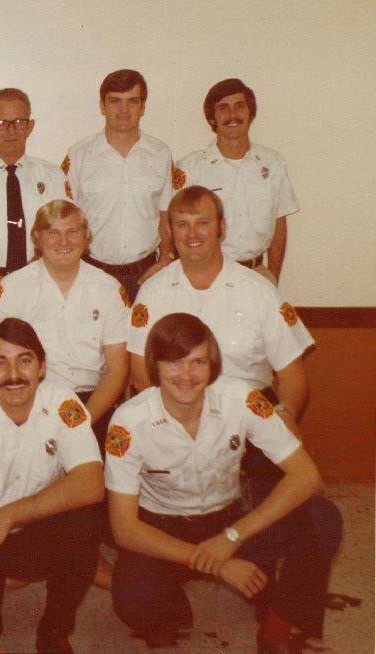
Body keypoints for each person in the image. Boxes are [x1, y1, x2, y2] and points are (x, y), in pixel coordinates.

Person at [106, 312, 342, 652]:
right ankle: (167, 614)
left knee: (323, 518)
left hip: (231, 517)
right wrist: (217, 561)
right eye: (174, 363)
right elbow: (125, 529)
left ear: (213, 364)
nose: (186, 375)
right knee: (132, 596)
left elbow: (307, 476)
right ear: (154, 366)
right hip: (165, 525)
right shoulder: (128, 422)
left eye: (198, 362)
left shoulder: (242, 398)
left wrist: (232, 538)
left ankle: (278, 623)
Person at [128, 186, 313, 499]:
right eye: (182, 225)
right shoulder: (153, 292)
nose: (193, 234)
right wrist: (171, 423)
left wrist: (283, 417)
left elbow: (294, 376)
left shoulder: (258, 290)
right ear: (170, 232)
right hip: (177, 410)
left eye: (203, 222)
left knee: (301, 518)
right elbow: (139, 375)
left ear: (222, 227)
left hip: (251, 414)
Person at [0, 317, 104, 653]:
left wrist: (10, 515)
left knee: (84, 522)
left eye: (24, 361)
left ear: (41, 367)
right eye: (1, 363)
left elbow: (91, 483)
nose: (13, 375)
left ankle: (53, 629)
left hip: (34, 528)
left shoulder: (62, 402)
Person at [0, 199, 129, 450]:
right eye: (53, 233)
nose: (64, 242)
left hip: (94, 406)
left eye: (72, 232)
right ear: (37, 238)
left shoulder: (109, 289)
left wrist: (81, 424)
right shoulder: (12, 290)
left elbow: (118, 371)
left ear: (86, 238)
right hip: (29, 405)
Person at [63, 69, 174, 301]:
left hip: (146, 275)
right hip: (91, 273)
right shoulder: (79, 156)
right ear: (102, 106)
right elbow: (63, 219)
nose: (124, 110)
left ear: (142, 107)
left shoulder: (160, 154)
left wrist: (165, 260)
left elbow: (166, 216)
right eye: (115, 101)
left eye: (132, 101)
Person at [175, 78, 298, 283]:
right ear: (212, 118)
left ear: (250, 114)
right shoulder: (190, 168)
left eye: (239, 106)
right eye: (223, 108)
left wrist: (273, 278)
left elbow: (279, 223)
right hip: (206, 275)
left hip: (257, 274)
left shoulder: (273, 163)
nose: (232, 115)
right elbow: (178, 228)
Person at [0, 88, 66, 300]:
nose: (11, 131)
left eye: (19, 122)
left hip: (40, 283)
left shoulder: (53, 177)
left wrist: (27, 281)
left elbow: (61, 234)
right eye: (0, 123)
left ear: (30, 127)